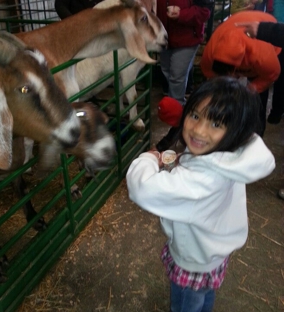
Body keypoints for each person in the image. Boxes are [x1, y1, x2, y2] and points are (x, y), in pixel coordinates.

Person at [126, 76, 275, 312]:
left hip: (194, 259)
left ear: (236, 131)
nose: (199, 130)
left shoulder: (201, 181)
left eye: (216, 124)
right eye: (195, 115)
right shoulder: (234, 155)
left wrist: (148, 158)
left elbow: (141, 188)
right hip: (213, 251)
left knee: (186, 305)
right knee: (204, 297)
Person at [200, 11, 281, 137]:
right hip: (235, 33)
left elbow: (272, 74)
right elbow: (211, 76)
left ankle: (256, 135)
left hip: (265, 31)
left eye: (230, 75)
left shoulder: (261, 55)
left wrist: (251, 89)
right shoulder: (209, 55)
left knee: (257, 100)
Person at [236, 20, 284, 200]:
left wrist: (266, 29)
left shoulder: (267, 61)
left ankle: (256, 140)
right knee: (253, 100)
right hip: (264, 36)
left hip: (269, 44)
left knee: (266, 94)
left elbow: (272, 72)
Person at [155, 0, 211, 152]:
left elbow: (205, 11)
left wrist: (182, 14)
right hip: (164, 37)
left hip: (187, 37)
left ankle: (177, 119)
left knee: (177, 76)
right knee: (167, 71)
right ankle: (179, 110)